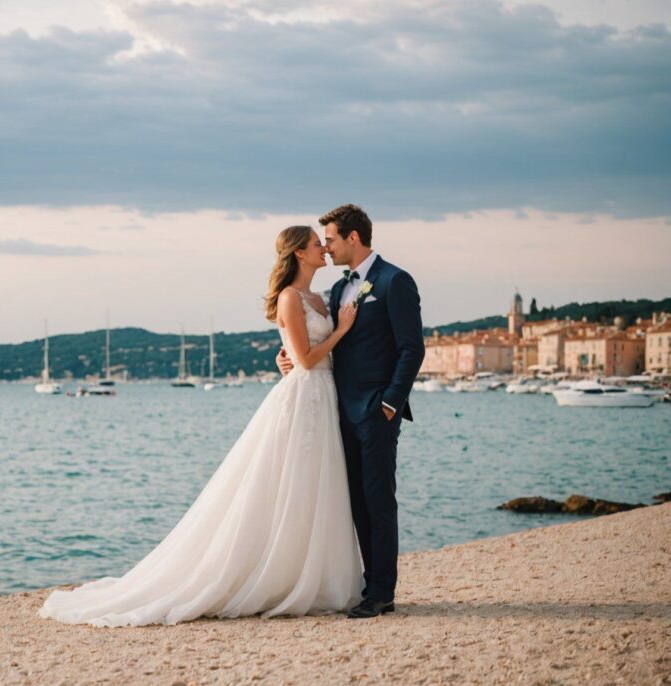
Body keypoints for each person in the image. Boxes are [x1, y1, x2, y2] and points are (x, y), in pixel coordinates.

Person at [39, 226, 363, 627]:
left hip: (322, 396)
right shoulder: (289, 297)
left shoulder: (321, 297)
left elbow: (306, 354)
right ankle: (275, 576)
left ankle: (313, 575)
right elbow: (306, 358)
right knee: (287, 483)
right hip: (303, 395)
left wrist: (319, 344)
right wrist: (341, 331)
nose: (323, 249)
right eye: (317, 243)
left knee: (316, 485)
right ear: (299, 253)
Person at [277, 204, 423, 619]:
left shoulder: (395, 281)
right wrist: (285, 356)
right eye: (321, 241)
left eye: (332, 239)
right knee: (355, 503)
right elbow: (314, 337)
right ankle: (368, 585)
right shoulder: (339, 290)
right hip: (336, 411)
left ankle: (382, 593)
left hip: (377, 411)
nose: (326, 246)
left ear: (353, 238)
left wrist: (391, 403)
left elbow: (412, 348)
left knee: (379, 502)